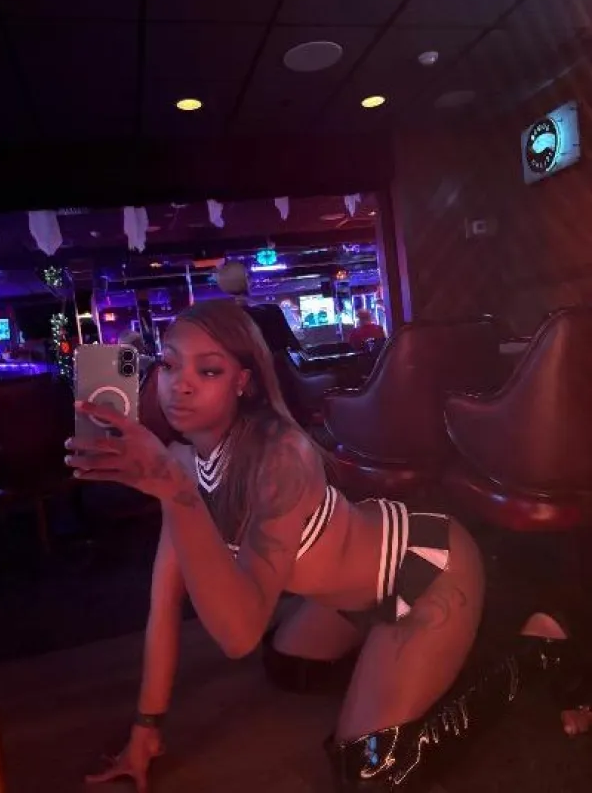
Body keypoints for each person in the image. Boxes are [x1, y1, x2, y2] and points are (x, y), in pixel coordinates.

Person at [65, 300, 589, 792]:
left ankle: (536, 648)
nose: (180, 384)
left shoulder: (281, 456)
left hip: (428, 565)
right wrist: (145, 729)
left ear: (243, 381)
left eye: (209, 371)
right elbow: (164, 603)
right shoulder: (181, 465)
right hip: (351, 599)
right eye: (169, 364)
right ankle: (405, 651)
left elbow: (238, 633)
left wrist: (177, 495)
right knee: (287, 666)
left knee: (372, 769)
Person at [216, 261, 302, 353]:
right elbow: (295, 347)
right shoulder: (272, 311)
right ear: (247, 280)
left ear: (222, 285)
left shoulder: (219, 321)